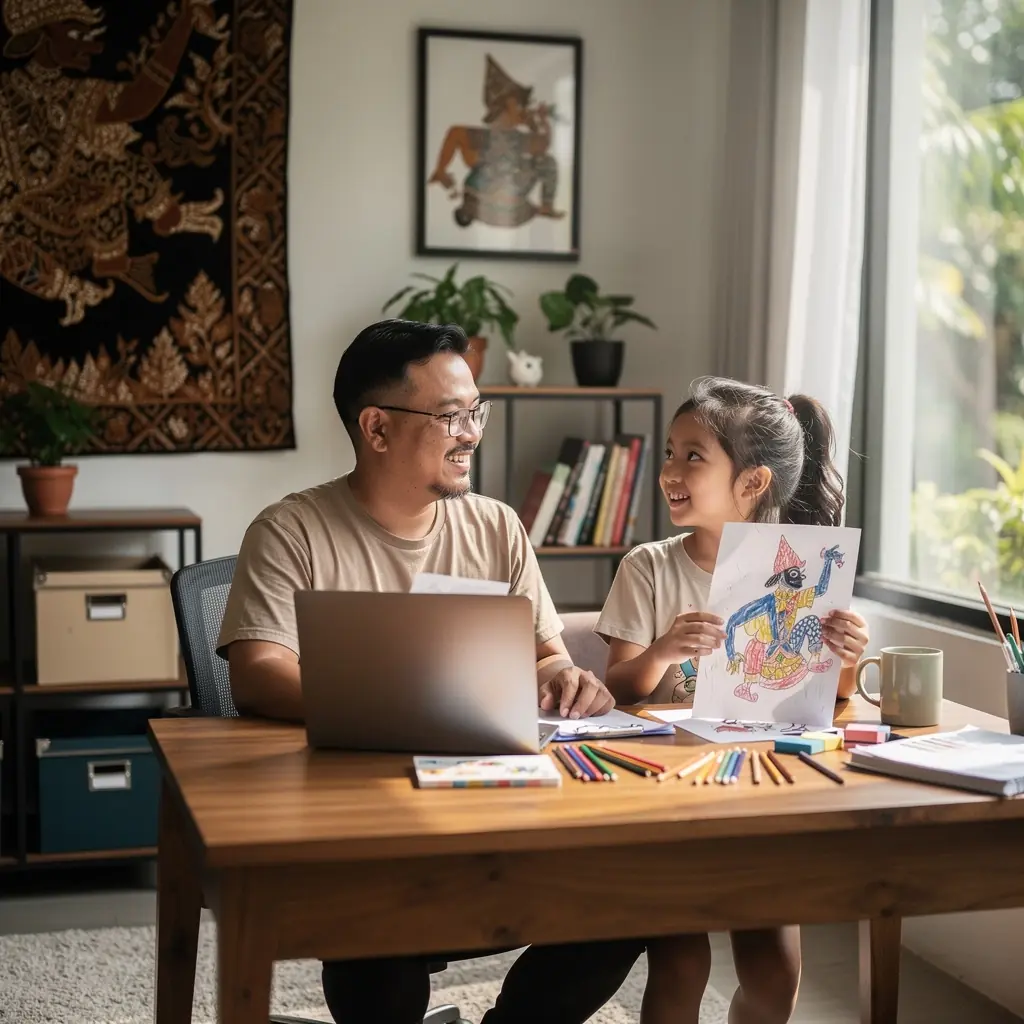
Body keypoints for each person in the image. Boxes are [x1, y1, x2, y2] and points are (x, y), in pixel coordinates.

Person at [216, 318, 643, 1024]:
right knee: (378, 931)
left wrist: (567, 677)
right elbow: (258, 672)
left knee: (631, 898)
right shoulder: (289, 531)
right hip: (358, 822)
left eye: (476, 411)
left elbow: (545, 652)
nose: (472, 432)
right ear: (376, 429)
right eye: (450, 416)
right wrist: (403, 704)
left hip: (493, 805)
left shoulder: (497, 526)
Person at [595, 376, 871, 1024]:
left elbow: (831, 700)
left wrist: (848, 659)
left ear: (752, 483)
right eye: (669, 452)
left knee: (776, 971)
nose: (670, 470)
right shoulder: (650, 566)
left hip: (767, 795)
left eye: (693, 456)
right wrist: (662, 651)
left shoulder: (807, 569)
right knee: (682, 962)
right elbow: (617, 686)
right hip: (670, 798)